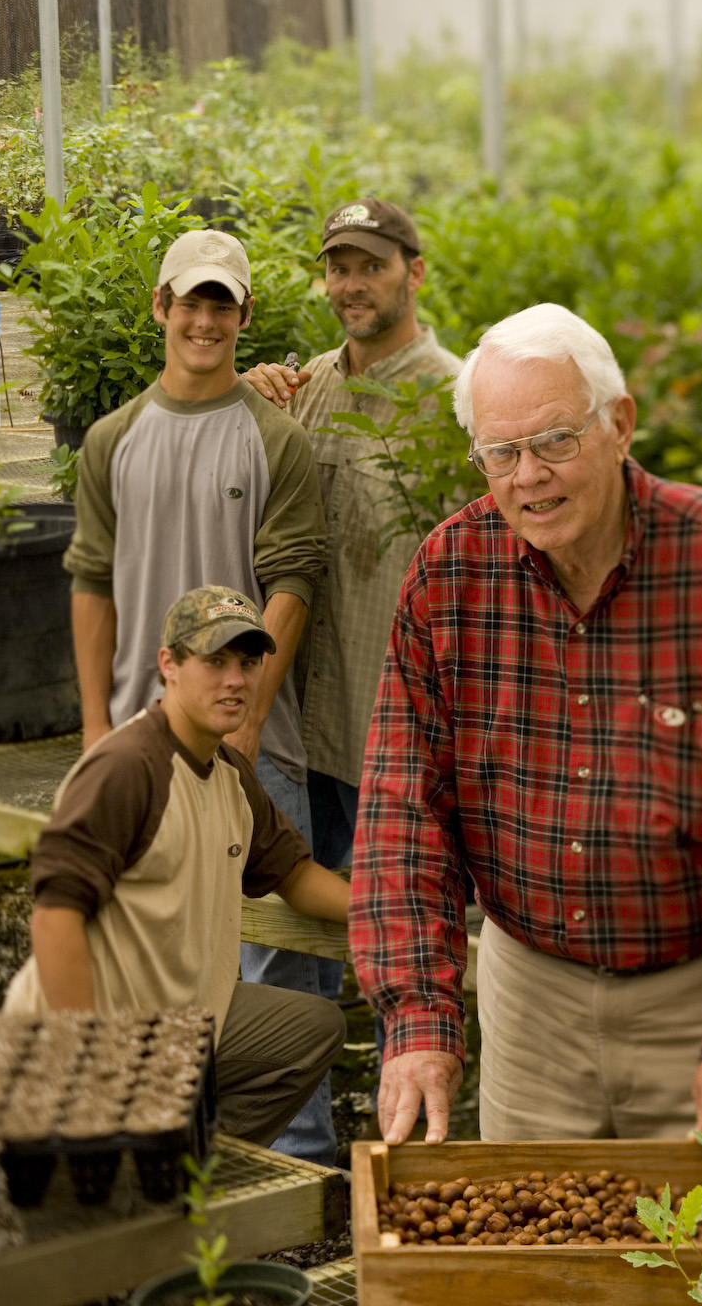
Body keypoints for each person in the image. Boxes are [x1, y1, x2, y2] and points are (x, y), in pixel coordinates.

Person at [349, 301, 702, 1149]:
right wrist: (420, 1020)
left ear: (620, 425)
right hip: (532, 1009)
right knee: (544, 1270)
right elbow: (404, 809)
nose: (528, 477)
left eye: (554, 441)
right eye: (501, 453)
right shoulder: (450, 575)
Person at [62, 227, 337, 1165]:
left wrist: (252, 724)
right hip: (141, 752)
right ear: (160, 309)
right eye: (191, 301)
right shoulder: (111, 441)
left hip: (256, 747)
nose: (206, 319)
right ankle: (154, 1146)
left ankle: (296, 1164)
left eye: (224, 304)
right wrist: (98, 727)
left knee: (274, 960)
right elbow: (92, 579)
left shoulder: (273, 439)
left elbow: (293, 577)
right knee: (146, 956)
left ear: (244, 315)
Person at [5, 586, 349, 1150]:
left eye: (248, 662)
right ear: (169, 664)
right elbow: (53, 918)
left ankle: (186, 1163)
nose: (235, 680)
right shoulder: (126, 768)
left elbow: (293, 874)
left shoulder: (231, 773)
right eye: (214, 661)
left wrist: (384, 913)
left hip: (185, 1022)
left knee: (313, 1029)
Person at [245, 198, 462, 925]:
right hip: (302, 732)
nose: (352, 284)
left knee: (407, 930)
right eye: (339, 269)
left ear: (416, 273)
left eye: (373, 266)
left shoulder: (457, 400)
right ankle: (306, 1041)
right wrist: (241, 397)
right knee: (290, 926)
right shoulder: (309, 387)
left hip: (394, 738)